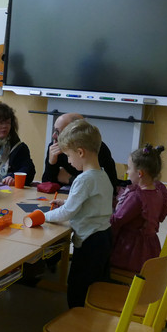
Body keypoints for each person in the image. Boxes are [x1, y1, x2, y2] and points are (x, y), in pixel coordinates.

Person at [43, 120, 114, 308]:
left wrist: (44, 217)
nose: (68, 161)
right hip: (104, 236)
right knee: (97, 283)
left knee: (78, 285)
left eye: (68, 155)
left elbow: (67, 213)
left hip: (90, 241)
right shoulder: (102, 175)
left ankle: (78, 317)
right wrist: (66, 202)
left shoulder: (84, 179)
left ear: (80, 152)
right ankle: (94, 312)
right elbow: (92, 203)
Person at [110, 144, 167, 274]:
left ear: (140, 173)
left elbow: (116, 221)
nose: (127, 172)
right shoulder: (159, 191)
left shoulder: (137, 197)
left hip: (131, 252)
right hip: (150, 248)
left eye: (129, 168)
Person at [42, 112, 119, 189]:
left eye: (58, 132)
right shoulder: (54, 146)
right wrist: (51, 163)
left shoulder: (97, 148)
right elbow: (46, 185)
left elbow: (110, 185)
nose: (53, 135)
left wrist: (70, 179)